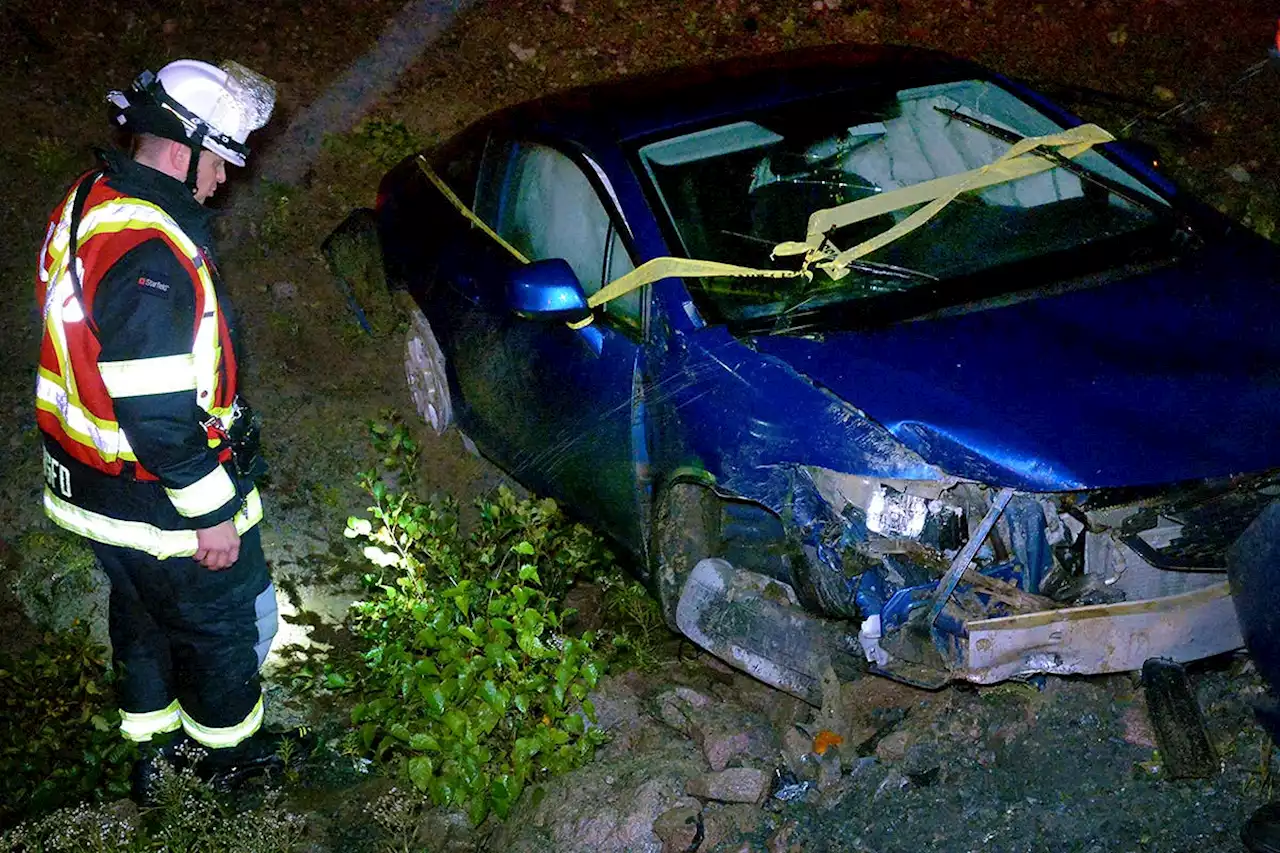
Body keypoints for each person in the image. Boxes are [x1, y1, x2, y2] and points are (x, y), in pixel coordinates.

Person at [34, 59, 292, 800]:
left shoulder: (92, 198)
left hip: (93, 487)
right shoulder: (154, 253)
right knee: (221, 630)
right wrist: (211, 513)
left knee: (143, 617)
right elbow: (158, 416)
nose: (222, 181)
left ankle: (156, 758)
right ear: (183, 149)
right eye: (220, 162)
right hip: (158, 499)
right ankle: (236, 769)